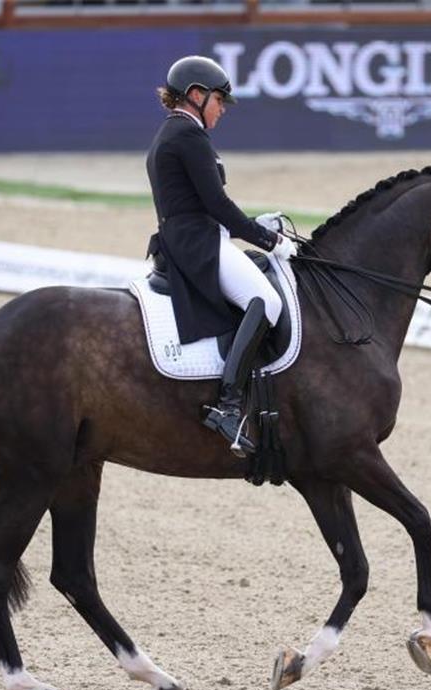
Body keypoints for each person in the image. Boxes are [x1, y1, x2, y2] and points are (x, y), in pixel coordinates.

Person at [145, 55, 297, 457]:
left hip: (192, 234)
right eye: (219, 101)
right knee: (266, 302)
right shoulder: (188, 136)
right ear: (196, 95)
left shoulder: (174, 132)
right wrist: (269, 240)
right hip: (197, 244)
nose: (223, 109)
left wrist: (247, 225)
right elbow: (216, 204)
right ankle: (227, 404)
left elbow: (199, 205)